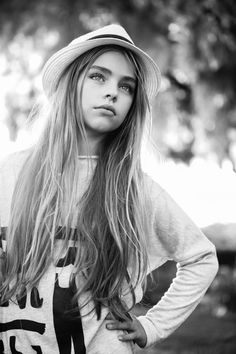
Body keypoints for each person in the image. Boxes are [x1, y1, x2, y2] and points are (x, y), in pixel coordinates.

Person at [0, 24, 218, 353]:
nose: (113, 92)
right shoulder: (10, 174)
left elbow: (201, 258)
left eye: (126, 86)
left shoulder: (136, 191)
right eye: (98, 76)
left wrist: (153, 324)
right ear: (69, 83)